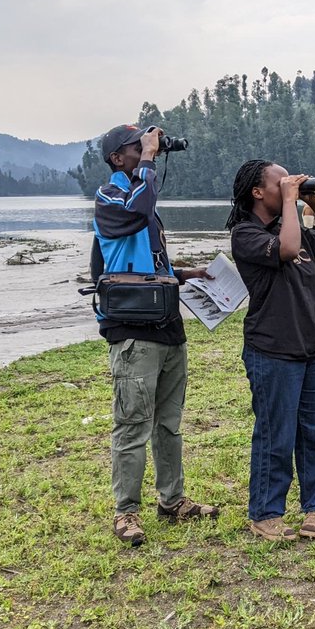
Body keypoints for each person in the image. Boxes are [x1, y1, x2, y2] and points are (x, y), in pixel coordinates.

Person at [93, 123, 219, 547]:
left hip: (167, 328)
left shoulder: (141, 195)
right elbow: (137, 213)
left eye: (147, 146)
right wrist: (149, 157)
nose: (146, 150)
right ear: (117, 158)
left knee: (169, 423)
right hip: (133, 332)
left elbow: (144, 259)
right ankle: (126, 512)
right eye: (137, 147)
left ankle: (172, 501)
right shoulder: (110, 198)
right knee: (132, 424)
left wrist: (184, 273)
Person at [227, 161, 315, 541]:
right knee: (275, 434)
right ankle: (265, 513)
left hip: (313, 345)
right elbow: (288, 248)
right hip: (272, 349)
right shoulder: (245, 235)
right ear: (257, 193)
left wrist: (313, 199)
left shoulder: (288, 226)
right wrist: (293, 203)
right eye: (279, 182)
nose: (287, 184)